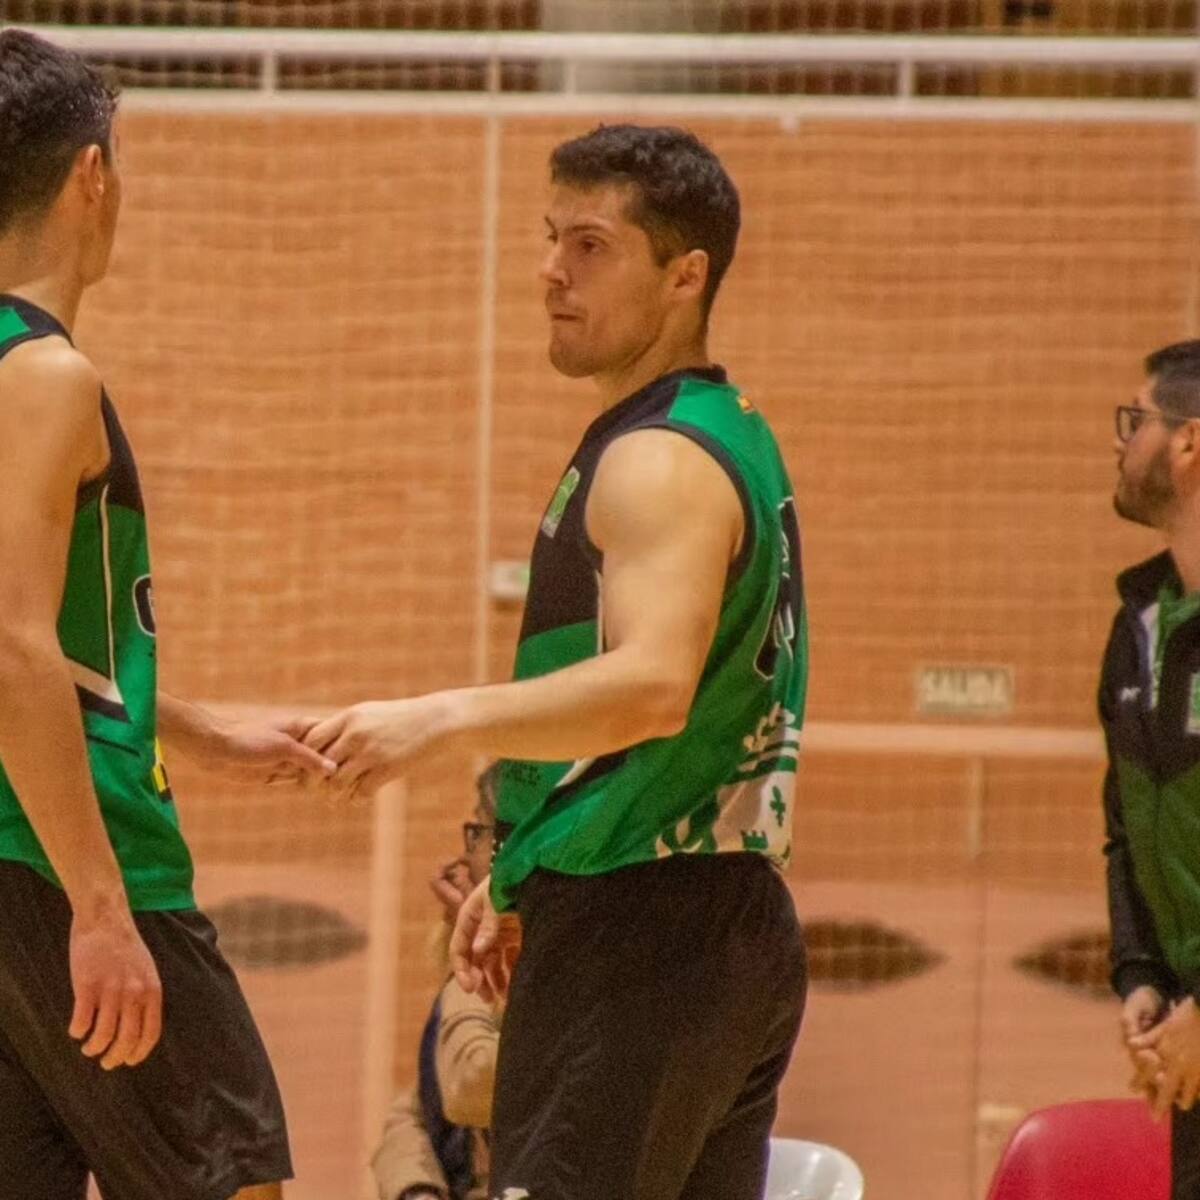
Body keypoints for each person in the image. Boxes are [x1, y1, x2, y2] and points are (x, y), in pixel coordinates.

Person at [308, 124, 809, 1200]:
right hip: (711, 924)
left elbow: (652, 687)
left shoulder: (657, 460)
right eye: (549, 238)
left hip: (646, 941)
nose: (550, 271)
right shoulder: (719, 433)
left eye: (590, 245)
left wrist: (437, 716)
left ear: (686, 276)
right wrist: (524, 859)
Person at [0, 29, 335, 1200]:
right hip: (72, 858)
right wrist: (100, 907)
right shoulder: (42, 377)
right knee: (235, 1184)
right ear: (92, 174)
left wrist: (186, 727)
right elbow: (10, 652)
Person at [1103, 338, 1200, 1199]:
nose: (1120, 440)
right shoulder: (1139, 621)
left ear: (1189, 443)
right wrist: (1144, 978)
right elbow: (1127, 824)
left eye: (1137, 421)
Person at [372, 764, 501, 1200]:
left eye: (479, 832)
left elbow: (472, 1083)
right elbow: (417, 1108)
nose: (463, 857)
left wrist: (476, 955)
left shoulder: (559, 967)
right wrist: (415, 1187)